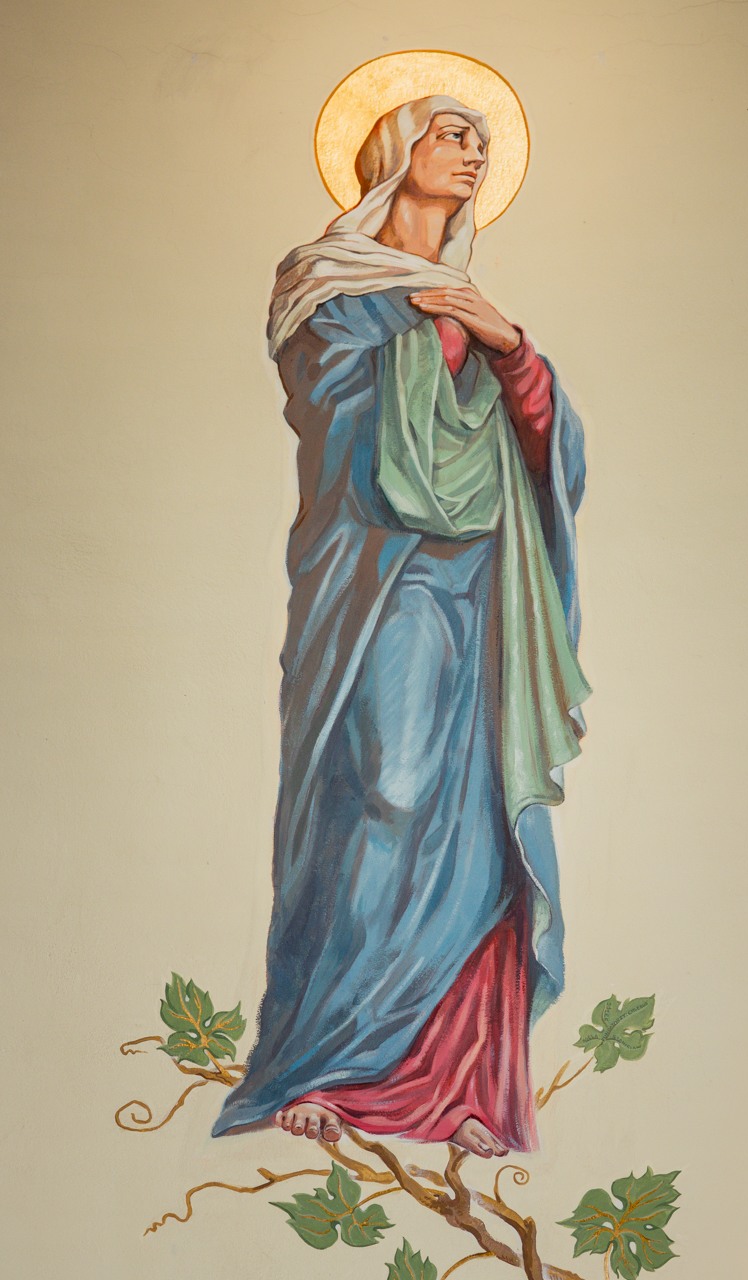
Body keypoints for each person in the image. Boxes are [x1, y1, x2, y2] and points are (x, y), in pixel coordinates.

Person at [211, 95, 591, 1159]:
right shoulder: (326, 282)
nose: (472, 154)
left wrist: (508, 346)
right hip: (378, 573)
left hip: (484, 583)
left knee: (477, 806)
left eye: (483, 141)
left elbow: (548, 452)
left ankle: (458, 1083)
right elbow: (332, 411)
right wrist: (435, 335)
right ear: (393, 152)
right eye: (450, 134)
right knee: (385, 786)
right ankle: (328, 1059)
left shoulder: (472, 299)